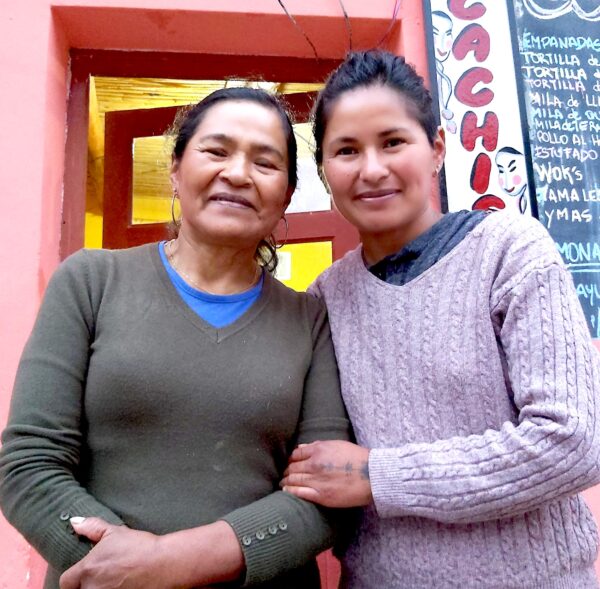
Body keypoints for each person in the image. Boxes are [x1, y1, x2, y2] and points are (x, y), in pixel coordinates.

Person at [0, 87, 351, 589]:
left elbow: (325, 493)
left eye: (265, 162)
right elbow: (29, 466)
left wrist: (172, 562)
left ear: (287, 194)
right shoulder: (91, 282)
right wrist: (119, 568)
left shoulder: (308, 320)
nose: (237, 173)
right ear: (176, 167)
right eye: (216, 150)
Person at [281, 50, 600, 588]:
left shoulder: (509, 252)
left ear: (436, 149)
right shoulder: (325, 299)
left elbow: (571, 444)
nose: (372, 168)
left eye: (393, 142)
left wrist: (378, 476)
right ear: (324, 172)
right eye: (346, 151)